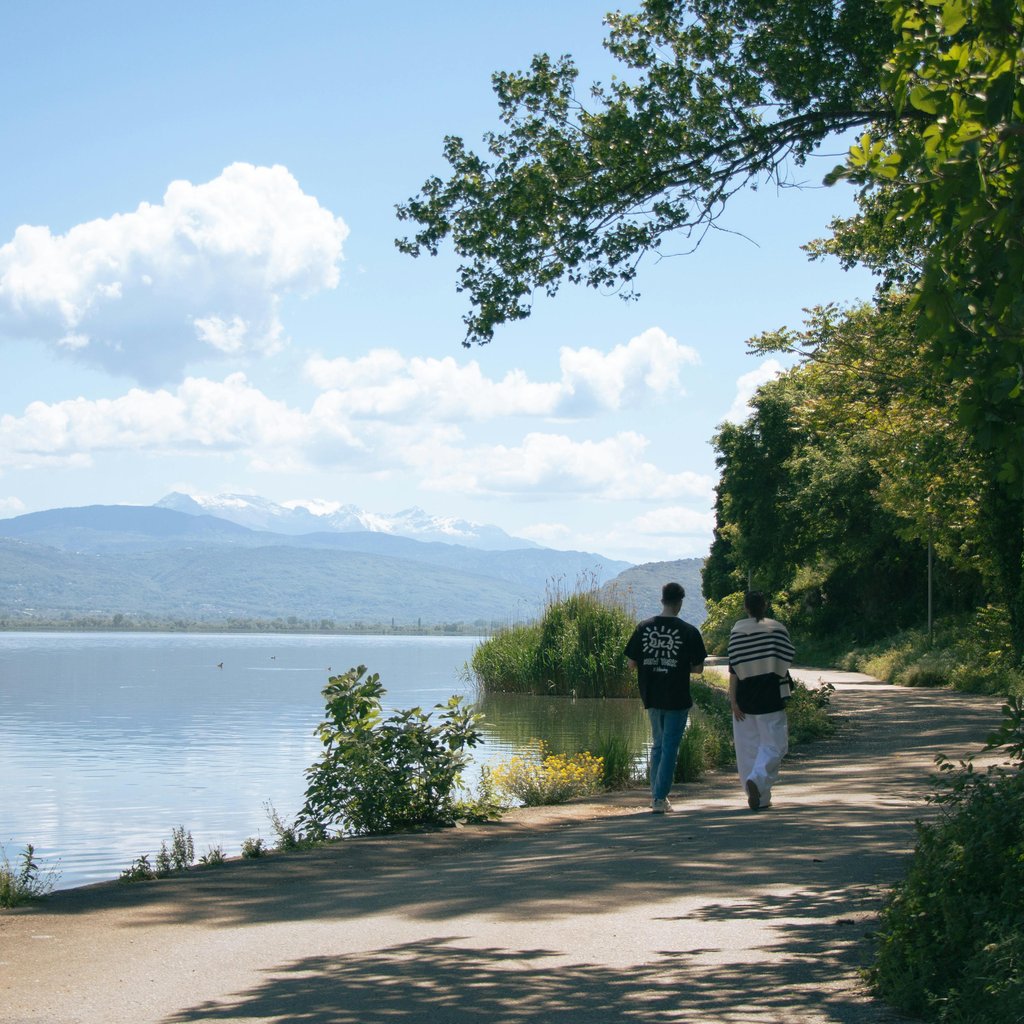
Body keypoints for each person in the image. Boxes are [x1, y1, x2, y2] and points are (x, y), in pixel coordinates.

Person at [625, 582, 707, 814]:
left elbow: (631, 663)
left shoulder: (644, 627)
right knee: (670, 746)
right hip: (677, 695)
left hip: (651, 694)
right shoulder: (689, 631)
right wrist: (678, 666)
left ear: (662, 600)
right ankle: (659, 797)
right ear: (680, 602)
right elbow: (698, 668)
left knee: (658, 745)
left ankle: (656, 795)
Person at [728, 591, 796, 811]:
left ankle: (759, 797)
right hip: (770, 694)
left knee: (748, 749)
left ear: (745, 607)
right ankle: (757, 782)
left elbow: (734, 670)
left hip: (745, 696)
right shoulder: (777, 629)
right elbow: (787, 658)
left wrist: (733, 701)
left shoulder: (737, 632)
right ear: (765, 605)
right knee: (775, 745)